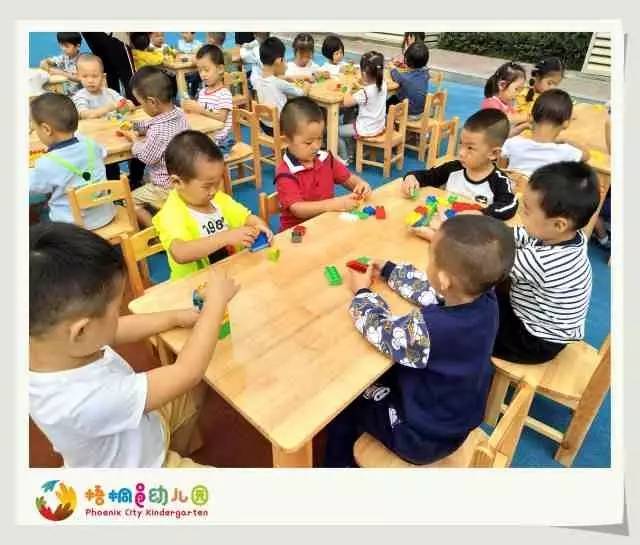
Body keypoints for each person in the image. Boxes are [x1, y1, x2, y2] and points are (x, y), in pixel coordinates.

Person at [29, 221, 240, 468]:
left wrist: (175, 317)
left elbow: (116, 330)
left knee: (197, 386)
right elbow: (187, 372)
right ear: (82, 330)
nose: (119, 315)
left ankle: (181, 443)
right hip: (141, 469)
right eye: (116, 308)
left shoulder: (49, 343)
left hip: (142, 426)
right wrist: (216, 304)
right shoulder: (83, 401)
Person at [324, 214, 515, 467]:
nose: (428, 264)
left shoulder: (431, 330)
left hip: (419, 437)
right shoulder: (486, 298)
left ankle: (336, 469)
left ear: (444, 280)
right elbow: (433, 293)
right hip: (455, 419)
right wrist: (390, 270)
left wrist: (361, 292)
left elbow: (380, 330)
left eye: (431, 257)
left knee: (344, 404)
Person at [492, 161, 600, 363]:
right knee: (488, 294)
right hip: (540, 322)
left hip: (533, 341)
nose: (520, 214)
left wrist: (452, 238)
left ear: (559, 224)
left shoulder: (544, 261)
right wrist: (484, 228)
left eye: (527, 211)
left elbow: (486, 262)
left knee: (470, 313)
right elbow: (511, 235)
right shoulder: (566, 237)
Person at [153, 130, 273, 280]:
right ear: (177, 182)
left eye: (217, 183)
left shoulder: (218, 200)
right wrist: (226, 237)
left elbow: (247, 218)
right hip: (195, 285)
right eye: (207, 186)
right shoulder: (171, 213)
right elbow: (181, 253)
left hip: (230, 274)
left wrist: (259, 225)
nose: (214, 190)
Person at [275, 97, 372, 231]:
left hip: (325, 225)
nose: (316, 146)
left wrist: (360, 184)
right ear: (287, 140)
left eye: (320, 138)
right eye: (308, 142)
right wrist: (333, 204)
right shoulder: (285, 173)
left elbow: (349, 179)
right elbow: (298, 208)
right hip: (298, 232)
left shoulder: (326, 159)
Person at [402, 109, 518, 220]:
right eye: (461, 144)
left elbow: (510, 205)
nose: (461, 153)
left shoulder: (500, 181)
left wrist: (482, 213)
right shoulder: (453, 168)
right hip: (447, 227)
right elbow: (428, 176)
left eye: (470, 148)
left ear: (493, 153)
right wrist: (411, 178)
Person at [117, 66, 189, 227]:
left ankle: (157, 233)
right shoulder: (178, 112)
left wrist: (134, 139)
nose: (141, 107)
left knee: (129, 200)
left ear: (152, 102)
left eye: (141, 103)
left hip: (166, 187)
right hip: (185, 178)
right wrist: (135, 126)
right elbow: (152, 123)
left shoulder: (158, 130)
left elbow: (146, 157)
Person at [29, 93, 115, 228]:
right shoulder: (91, 145)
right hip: (106, 216)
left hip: (73, 228)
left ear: (46, 129)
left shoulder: (46, 163)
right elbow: (103, 153)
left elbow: (33, 188)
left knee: (38, 211)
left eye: (35, 129)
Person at [501, 89, 590, 177]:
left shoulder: (514, 143)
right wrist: (566, 140)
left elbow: (499, 142)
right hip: (545, 186)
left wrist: (521, 127)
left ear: (531, 117)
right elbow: (586, 155)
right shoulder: (566, 151)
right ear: (566, 123)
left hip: (514, 185)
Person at [182, 44, 235, 157]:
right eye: (200, 71)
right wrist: (189, 108)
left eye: (206, 70)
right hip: (207, 137)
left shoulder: (224, 94)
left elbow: (221, 119)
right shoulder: (202, 92)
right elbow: (200, 116)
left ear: (220, 69)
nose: (203, 75)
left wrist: (200, 110)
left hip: (221, 142)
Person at [253, 36, 309, 137]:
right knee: (304, 116)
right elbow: (302, 93)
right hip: (280, 128)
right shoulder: (279, 83)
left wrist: (286, 78)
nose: (285, 63)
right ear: (279, 61)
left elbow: (272, 80)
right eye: (284, 60)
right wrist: (307, 85)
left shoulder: (257, 81)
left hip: (265, 126)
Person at [338, 51, 387, 164]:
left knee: (334, 131)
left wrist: (348, 88)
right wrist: (360, 85)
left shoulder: (365, 92)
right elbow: (371, 88)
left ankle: (345, 158)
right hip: (379, 126)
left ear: (364, 73)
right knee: (350, 118)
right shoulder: (383, 84)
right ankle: (351, 152)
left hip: (366, 129)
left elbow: (346, 102)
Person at [71, 54, 134, 119]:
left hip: (112, 125)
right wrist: (109, 108)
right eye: (85, 76)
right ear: (79, 77)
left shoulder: (110, 93)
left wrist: (128, 106)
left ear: (103, 77)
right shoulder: (80, 96)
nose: (90, 81)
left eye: (94, 76)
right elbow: (86, 115)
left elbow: (126, 107)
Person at [482, 62, 529, 136]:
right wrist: (526, 117)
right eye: (517, 89)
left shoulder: (508, 105)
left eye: (521, 90)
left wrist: (525, 126)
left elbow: (507, 135)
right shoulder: (491, 102)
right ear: (502, 85)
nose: (519, 93)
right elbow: (503, 120)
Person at [388, 41, 430, 120]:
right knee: (394, 97)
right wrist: (406, 65)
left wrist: (392, 66)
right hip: (421, 112)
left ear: (406, 59)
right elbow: (415, 71)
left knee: (387, 106)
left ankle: (389, 123)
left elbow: (396, 76)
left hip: (408, 114)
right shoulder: (426, 73)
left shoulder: (405, 78)